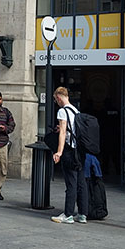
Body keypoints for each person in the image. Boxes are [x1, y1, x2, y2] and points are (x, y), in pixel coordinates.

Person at [50, 87, 89, 224]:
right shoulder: (75, 110)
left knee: (71, 183)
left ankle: (68, 214)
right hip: (80, 151)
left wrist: (59, 152)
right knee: (81, 183)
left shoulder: (62, 111)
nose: (56, 102)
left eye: (56, 99)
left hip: (70, 151)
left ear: (59, 97)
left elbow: (62, 133)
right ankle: (83, 214)